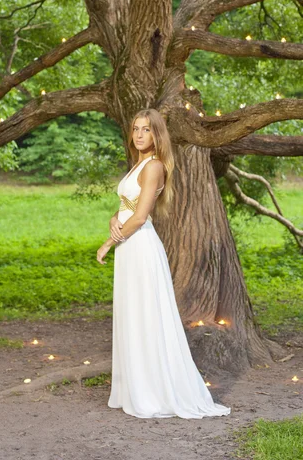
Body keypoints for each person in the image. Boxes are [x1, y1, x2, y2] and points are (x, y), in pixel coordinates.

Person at [97, 108, 231, 419]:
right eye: (136, 129)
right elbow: (128, 206)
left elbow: (142, 217)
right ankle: (134, 386)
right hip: (129, 246)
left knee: (146, 314)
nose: (139, 134)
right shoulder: (138, 165)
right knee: (132, 313)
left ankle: (154, 390)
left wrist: (108, 243)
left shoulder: (154, 165)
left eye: (146, 129)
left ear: (157, 135)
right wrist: (113, 218)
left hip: (140, 245)